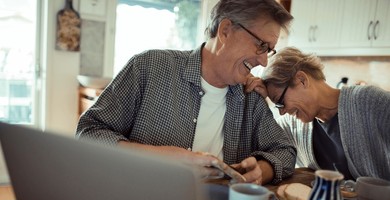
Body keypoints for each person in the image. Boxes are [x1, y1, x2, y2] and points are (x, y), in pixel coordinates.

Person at [76, 0, 296, 185]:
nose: (264, 60)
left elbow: (285, 151)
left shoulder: (251, 96)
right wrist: (163, 158)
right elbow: (88, 133)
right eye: (260, 45)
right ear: (226, 31)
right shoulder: (148, 67)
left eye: (269, 50)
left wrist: (261, 170)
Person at [260, 46, 390, 181]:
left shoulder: (369, 101)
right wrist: (256, 97)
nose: (282, 112)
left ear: (302, 80)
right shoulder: (292, 124)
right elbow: (260, 138)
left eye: (280, 102)